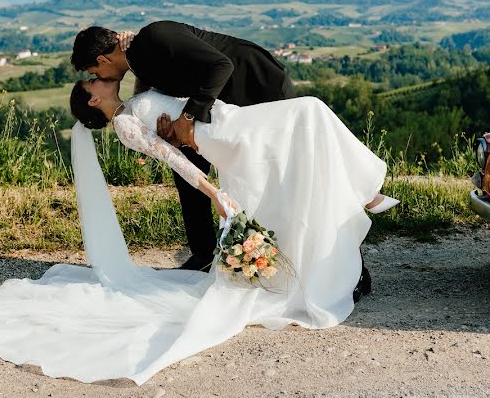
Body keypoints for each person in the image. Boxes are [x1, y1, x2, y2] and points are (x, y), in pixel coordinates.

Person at [0, 78, 398, 385]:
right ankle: (364, 189)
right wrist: (214, 193)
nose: (94, 81)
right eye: (89, 87)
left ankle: (356, 196)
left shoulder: (137, 93)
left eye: (93, 77)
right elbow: (173, 158)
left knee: (305, 139)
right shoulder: (123, 125)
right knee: (309, 111)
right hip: (223, 135)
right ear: (93, 106)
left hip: (227, 121)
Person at [70, 22, 374, 299]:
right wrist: (166, 131)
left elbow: (221, 65)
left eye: (94, 73)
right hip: (215, 117)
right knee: (189, 169)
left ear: (103, 61)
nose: (97, 78)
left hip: (256, 88)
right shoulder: (136, 58)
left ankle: (350, 267)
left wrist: (188, 118)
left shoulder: (153, 39)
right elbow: (148, 95)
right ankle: (204, 254)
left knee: (297, 177)